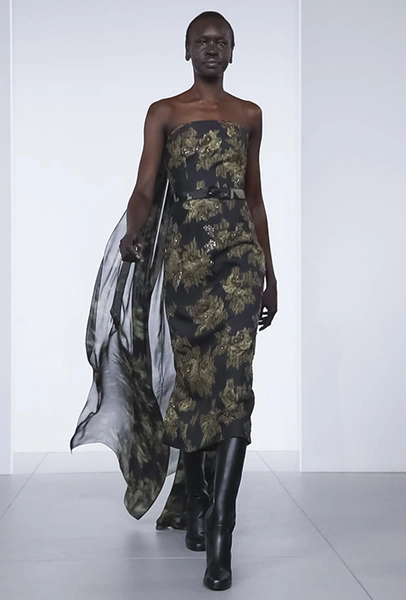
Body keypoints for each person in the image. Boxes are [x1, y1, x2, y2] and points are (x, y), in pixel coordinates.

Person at [70, 10, 277, 592]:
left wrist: (270, 272)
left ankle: (221, 531)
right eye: (201, 41)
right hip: (186, 266)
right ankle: (196, 496)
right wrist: (134, 233)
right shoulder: (164, 112)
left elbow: (254, 200)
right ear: (187, 50)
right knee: (193, 386)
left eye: (221, 41)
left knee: (235, 387)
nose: (212, 48)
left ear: (232, 51)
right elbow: (144, 188)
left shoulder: (249, 115)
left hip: (239, 265)